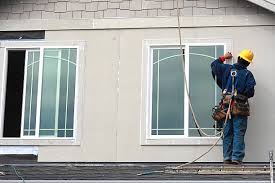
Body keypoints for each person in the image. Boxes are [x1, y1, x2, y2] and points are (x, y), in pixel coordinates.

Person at [211, 49, 256, 165]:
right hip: (239, 108)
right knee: (238, 132)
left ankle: (227, 157)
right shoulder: (247, 74)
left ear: (239, 58)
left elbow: (214, 65)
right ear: (248, 63)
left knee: (227, 132)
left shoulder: (227, 69)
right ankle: (236, 158)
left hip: (226, 107)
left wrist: (224, 57)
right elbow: (250, 92)